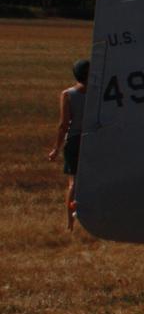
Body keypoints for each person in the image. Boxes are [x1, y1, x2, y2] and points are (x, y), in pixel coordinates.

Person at [46, 59, 89, 231]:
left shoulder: (68, 95)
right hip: (92, 140)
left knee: (73, 183)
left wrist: (56, 148)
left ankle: (70, 225)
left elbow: (64, 124)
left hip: (75, 140)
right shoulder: (98, 93)